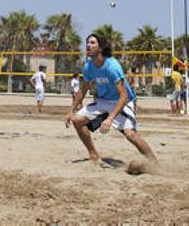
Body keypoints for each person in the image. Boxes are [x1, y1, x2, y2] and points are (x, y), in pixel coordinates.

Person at [64, 34, 157, 167]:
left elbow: (124, 96)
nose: (88, 45)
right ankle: (93, 155)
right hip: (102, 101)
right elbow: (82, 91)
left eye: (92, 43)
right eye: (87, 43)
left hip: (122, 101)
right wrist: (70, 111)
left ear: (100, 48)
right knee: (77, 120)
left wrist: (109, 119)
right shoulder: (88, 67)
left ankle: (153, 162)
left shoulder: (112, 66)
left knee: (130, 135)